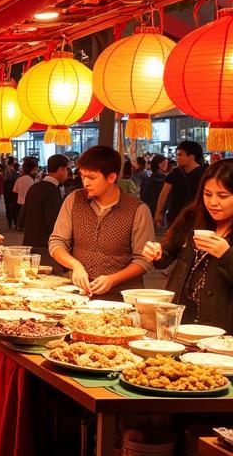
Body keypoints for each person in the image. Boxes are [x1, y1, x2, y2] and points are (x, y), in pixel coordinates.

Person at [48, 145, 155, 298]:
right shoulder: (74, 200)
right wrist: (75, 265)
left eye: (91, 177)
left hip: (121, 297)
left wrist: (113, 279)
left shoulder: (138, 210)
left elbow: (144, 261)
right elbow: (57, 242)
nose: (85, 183)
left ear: (111, 177)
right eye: (82, 176)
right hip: (80, 294)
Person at [143, 160, 233, 331]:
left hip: (223, 328)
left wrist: (226, 255)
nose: (213, 202)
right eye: (207, 194)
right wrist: (158, 253)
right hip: (183, 320)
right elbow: (168, 252)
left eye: (223, 196)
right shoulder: (193, 216)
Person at [20, 154, 70, 272]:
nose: (67, 173)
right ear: (61, 169)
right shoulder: (52, 191)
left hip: (28, 244)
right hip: (45, 248)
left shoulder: (34, 187)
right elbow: (53, 223)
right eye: (66, 169)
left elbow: (22, 217)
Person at [154, 140, 205, 229]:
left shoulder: (205, 173)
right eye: (177, 155)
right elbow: (163, 194)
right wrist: (158, 213)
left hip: (197, 217)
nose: (177, 158)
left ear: (191, 156)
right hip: (176, 217)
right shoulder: (174, 173)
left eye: (180, 155)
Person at [13, 158, 37, 227]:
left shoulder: (19, 179)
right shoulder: (32, 180)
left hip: (19, 200)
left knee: (20, 214)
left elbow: (15, 190)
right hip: (29, 201)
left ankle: (19, 225)